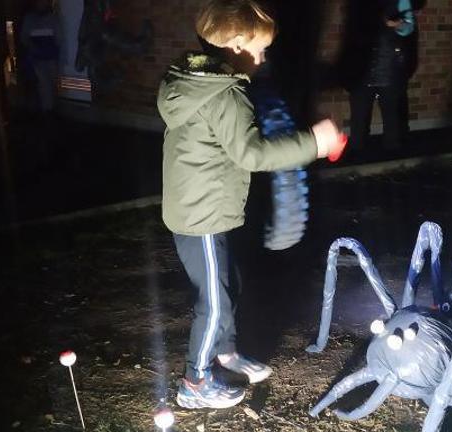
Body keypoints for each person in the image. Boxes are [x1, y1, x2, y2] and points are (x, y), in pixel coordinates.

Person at [157, 0, 341, 409]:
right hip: (200, 214)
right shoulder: (227, 94)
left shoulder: (196, 82)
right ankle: (195, 381)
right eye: (259, 48)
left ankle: (225, 352)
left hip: (202, 206)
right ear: (237, 44)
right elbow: (252, 155)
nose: (262, 56)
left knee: (227, 285)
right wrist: (315, 142)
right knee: (215, 298)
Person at [344, 0, 417, 154]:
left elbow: (409, 27)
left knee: (392, 119)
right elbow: (351, 31)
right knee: (358, 120)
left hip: (389, 68)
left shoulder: (401, 2)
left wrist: (394, 24)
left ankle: (393, 159)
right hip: (362, 69)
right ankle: (357, 157)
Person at [20, 0, 62, 113]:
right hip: (37, 58)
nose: (41, 4)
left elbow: (59, 39)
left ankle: (52, 109)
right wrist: (32, 47)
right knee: (43, 86)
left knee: (52, 85)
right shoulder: (29, 19)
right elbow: (24, 38)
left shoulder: (53, 19)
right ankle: (47, 111)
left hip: (51, 57)